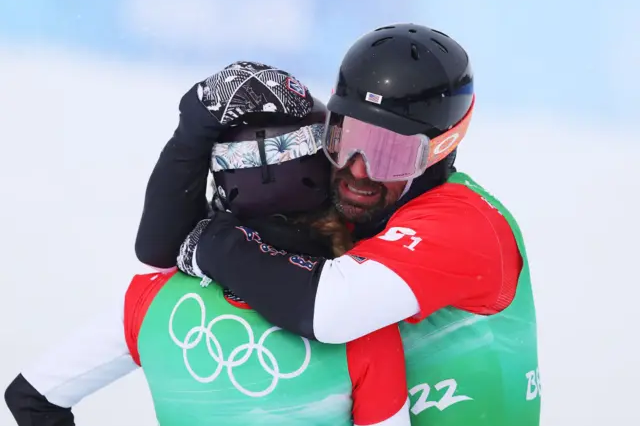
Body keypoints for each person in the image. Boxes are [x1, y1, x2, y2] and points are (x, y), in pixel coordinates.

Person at [135, 25, 542, 425]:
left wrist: (211, 241)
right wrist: (195, 124)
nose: (356, 171)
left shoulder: (467, 224)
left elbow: (329, 312)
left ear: (441, 149)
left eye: (391, 154)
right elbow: (160, 248)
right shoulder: (353, 196)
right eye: (346, 138)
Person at [3, 63, 411, 426]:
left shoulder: (150, 302)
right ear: (323, 168)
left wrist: (193, 127)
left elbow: (31, 398)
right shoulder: (363, 322)